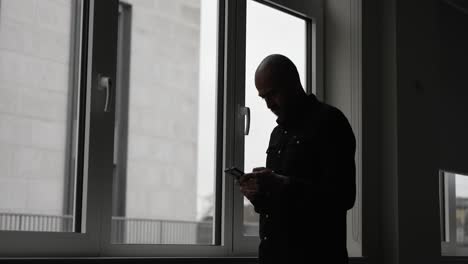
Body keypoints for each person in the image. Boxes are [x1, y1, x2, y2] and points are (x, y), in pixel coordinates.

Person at [239, 54, 356, 264]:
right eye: (263, 98)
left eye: (272, 94)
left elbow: (344, 196)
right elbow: (280, 204)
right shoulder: (276, 134)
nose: (268, 105)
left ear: (293, 83)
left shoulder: (330, 122)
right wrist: (259, 196)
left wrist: (283, 184)